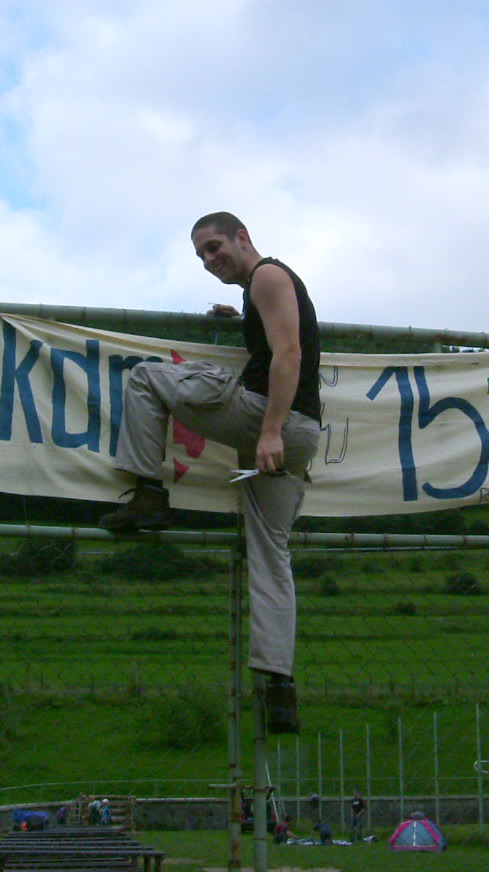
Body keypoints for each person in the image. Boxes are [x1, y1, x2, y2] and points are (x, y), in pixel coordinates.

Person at [99, 211, 322, 734]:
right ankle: (279, 687)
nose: (208, 258)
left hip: (269, 418)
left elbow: (289, 353)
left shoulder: (268, 275)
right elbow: (278, 338)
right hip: (305, 432)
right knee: (270, 553)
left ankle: (149, 494)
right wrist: (241, 315)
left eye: (215, 246)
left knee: (146, 379)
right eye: (201, 254)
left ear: (243, 237)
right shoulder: (259, 287)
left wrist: (269, 430)